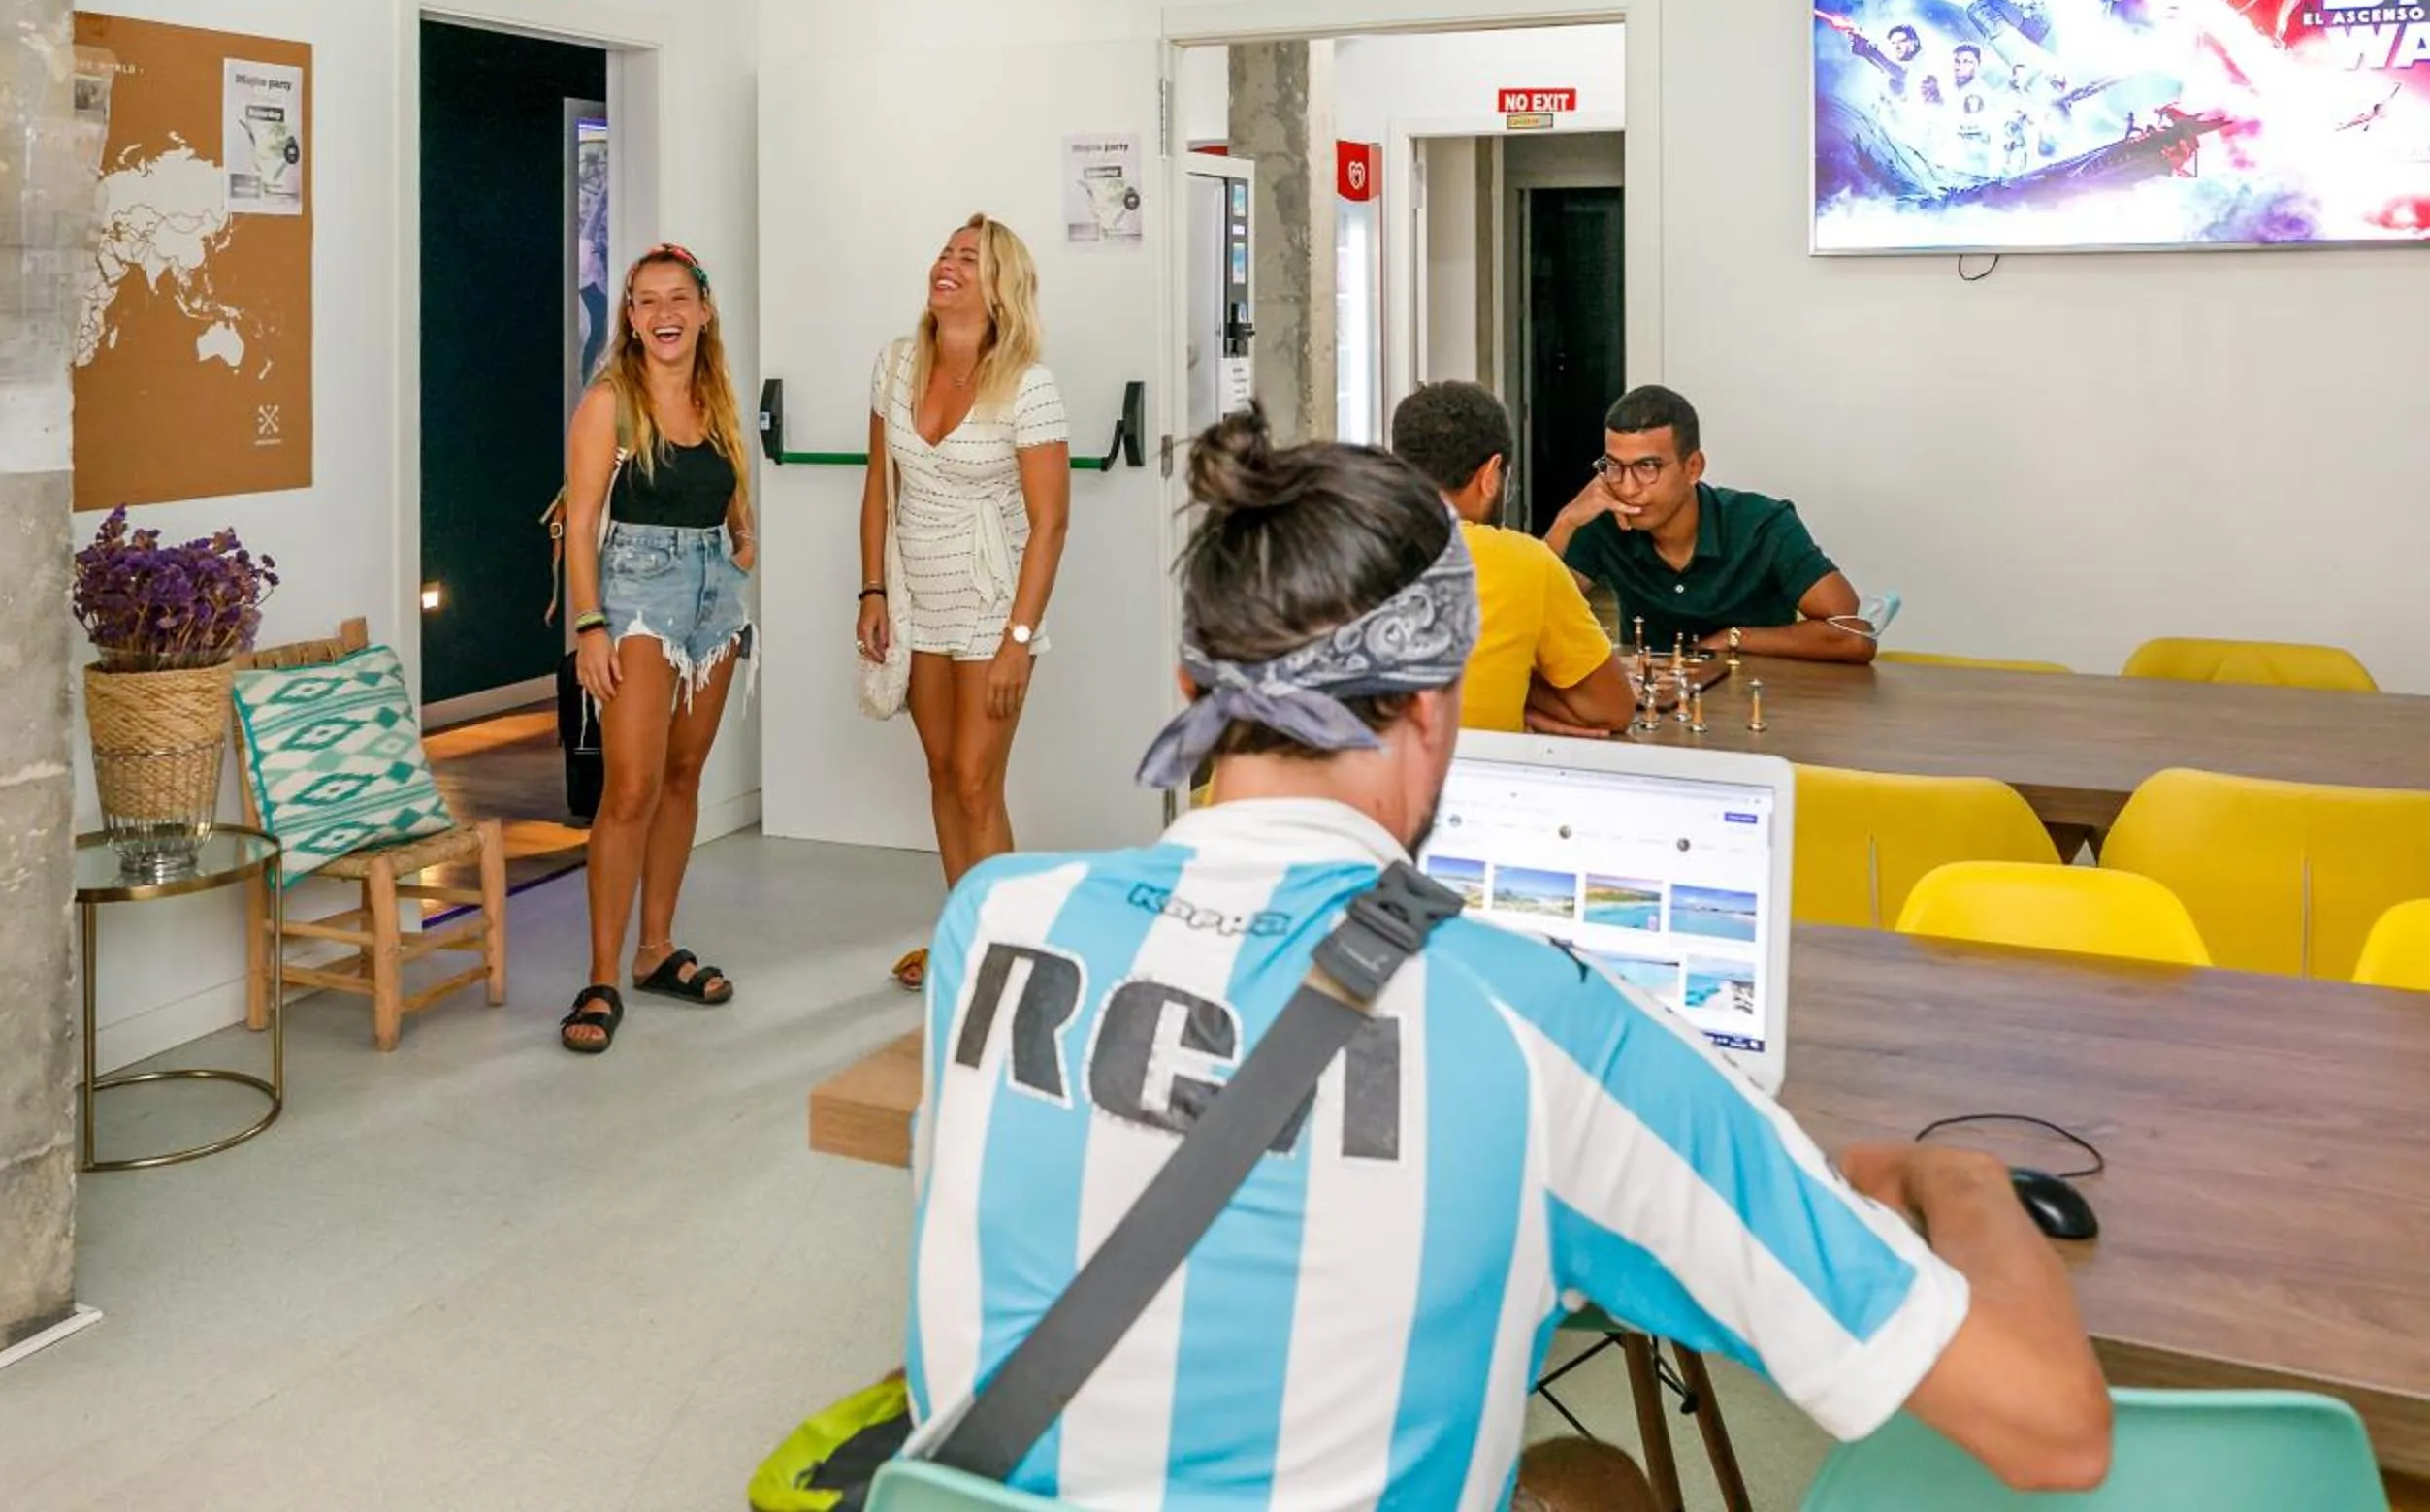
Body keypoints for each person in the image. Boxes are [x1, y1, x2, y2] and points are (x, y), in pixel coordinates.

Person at [907, 409, 2112, 1511]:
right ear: (1435, 706)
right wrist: (1958, 1180)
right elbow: (2052, 1430)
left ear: (1189, 686)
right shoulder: (1539, 1025)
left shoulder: (995, 920)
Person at [859, 217, 1071, 993]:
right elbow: (880, 488)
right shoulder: (894, 365)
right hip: (917, 594)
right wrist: (873, 591)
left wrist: (1020, 636)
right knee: (943, 772)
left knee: (979, 780)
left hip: (992, 602)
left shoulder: (1028, 382)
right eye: (944, 251)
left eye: (967, 259)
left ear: (999, 286)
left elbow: (1051, 522)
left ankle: (1014, 959)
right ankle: (968, 936)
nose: (946, 264)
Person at [555, 245, 752, 1053]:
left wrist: (743, 537)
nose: (663, 314)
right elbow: (580, 520)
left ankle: (654, 949)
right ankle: (600, 977)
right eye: (645, 302)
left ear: (704, 310)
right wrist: (589, 624)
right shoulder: (610, 402)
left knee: (681, 776)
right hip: (636, 596)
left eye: (678, 298)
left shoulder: (718, 396)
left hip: (715, 600)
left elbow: (730, 489)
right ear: (630, 319)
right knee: (629, 789)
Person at [1546, 386, 1875, 665]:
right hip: (1655, 710)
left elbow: (1853, 633)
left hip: (1760, 706)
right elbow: (1530, 610)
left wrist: (1734, 638)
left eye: (1648, 467)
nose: (1628, 487)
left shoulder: (1762, 524)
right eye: (1615, 466)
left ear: (1693, 467)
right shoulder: (1607, 520)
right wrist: (1567, 519)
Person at [1389, 380, 1632, 737]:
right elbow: (1612, 709)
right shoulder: (1525, 563)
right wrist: (1526, 694)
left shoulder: (1336, 548)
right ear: (1491, 475)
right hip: (1475, 784)